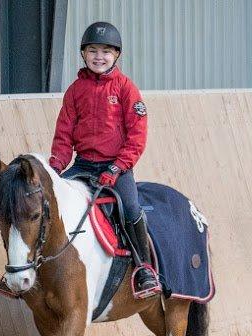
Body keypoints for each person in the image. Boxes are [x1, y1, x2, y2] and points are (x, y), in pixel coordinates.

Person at [49, 21, 161, 299]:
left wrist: (118, 166)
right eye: (93, 51)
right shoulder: (74, 91)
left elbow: (137, 136)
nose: (99, 57)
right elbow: (63, 135)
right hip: (83, 164)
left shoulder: (126, 89)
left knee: (131, 208)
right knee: (52, 200)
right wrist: (55, 168)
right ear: (83, 54)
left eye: (106, 52)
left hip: (117, 166)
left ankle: (144, 268)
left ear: (117, 55)